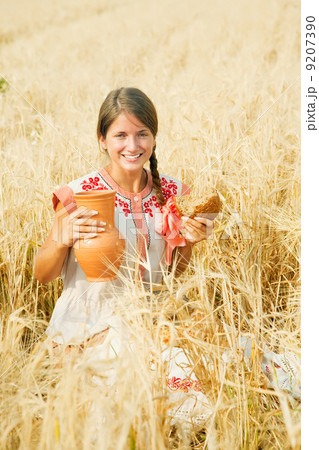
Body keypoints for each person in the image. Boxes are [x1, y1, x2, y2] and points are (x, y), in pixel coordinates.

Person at [34, 87, 300, 434]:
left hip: (154, 325)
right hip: (88, 329)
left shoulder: (175, 194)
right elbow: (43, 274)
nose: (133, 145)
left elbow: (172, 278)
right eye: (121, 135)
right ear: (102, 139)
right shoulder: (76, 194)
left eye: (142, 133)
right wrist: (61, 239)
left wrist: (189, 242)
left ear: (154, 137)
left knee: (227, 363)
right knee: (147, 389)